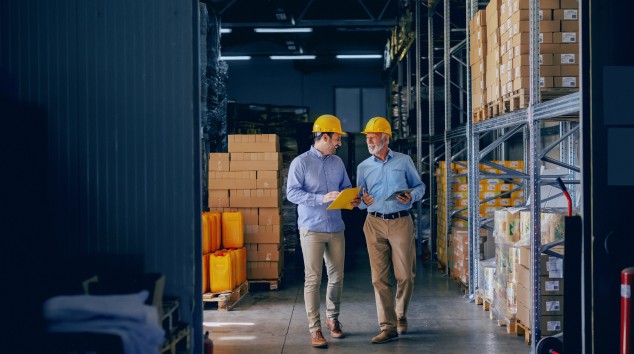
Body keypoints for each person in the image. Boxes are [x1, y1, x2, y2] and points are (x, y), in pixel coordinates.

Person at [286, 114, 361, 348]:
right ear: (324, 137)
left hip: (336, 227)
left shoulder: (337, 163)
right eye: (336, 138)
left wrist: (352, 199)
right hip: (312, 228)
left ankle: (333, 319)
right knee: (313, 279)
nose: (339, 143)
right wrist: (321, 198)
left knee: (337, 277)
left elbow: (346, 188)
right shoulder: (301, 162)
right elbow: (292, 193)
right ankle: (315, 328)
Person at [356, 116, 426, 344]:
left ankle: (401, 313)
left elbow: (420, 186)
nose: (369, 140)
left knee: (405, 275)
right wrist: (363, 200)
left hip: (400, 221)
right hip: (373, 222)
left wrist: (411, 196)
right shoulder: (363, 167)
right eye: (367, 137)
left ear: (385, 138)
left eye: (373, 136)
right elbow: (360, 200)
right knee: (379, 278)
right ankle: (388, 327)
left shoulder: (404, 161)